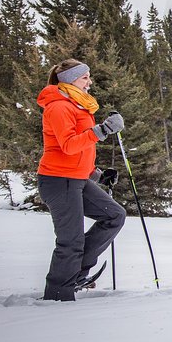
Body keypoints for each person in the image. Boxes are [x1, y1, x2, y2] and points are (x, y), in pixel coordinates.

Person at [37, 58, 126, 301]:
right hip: (57, 180)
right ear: (69, 80)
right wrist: (103, 130)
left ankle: (75, 273)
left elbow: (81, 150)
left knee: (114, 216)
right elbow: (67, 145)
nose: (89, 81)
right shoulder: (58, 107)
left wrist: (97, 174)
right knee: (70, 242)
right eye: (85, 77)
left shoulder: (76, 105)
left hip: (76, 178)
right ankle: (58, 295)